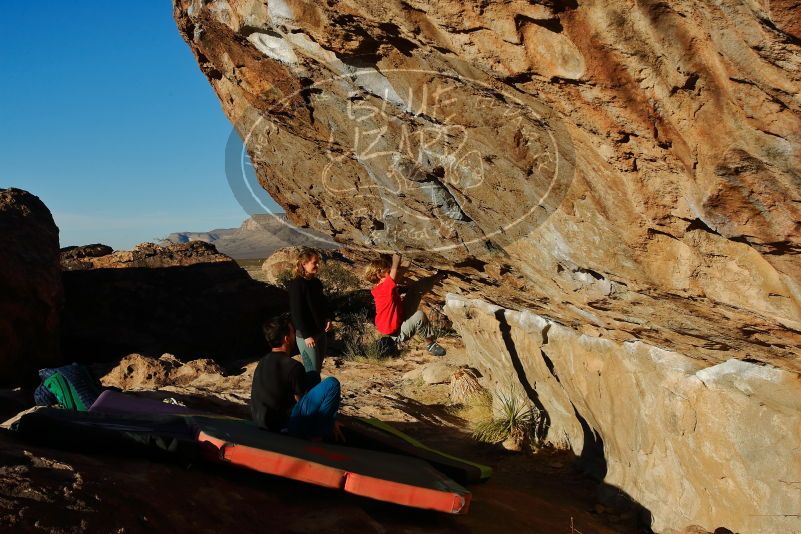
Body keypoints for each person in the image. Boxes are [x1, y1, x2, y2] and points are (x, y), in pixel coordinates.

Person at [250, 314, 343, 440]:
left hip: (261, 422)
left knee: (313, 376)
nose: (294, 335)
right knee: (332, 384)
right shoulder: (293, 366)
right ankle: (322, 432)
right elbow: (300, 400)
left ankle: (323, 424)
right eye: (293, 332)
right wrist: (328, 418)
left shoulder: (262, 362)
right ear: (287, 338)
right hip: (283, 427)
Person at [364, 253, 446, 356]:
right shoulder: (383, 290)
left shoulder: (385, 285)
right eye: (387, 270)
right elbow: (394, 272)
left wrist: (407, 253)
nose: (390, 271)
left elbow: (402, 271)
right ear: (379, 274)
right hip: (397, 333)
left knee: (415, 289)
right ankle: (430, 344)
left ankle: (437, 276)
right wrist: (395, 260)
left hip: (399, 317)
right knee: (419, 316)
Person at [287, 248, 331, 373]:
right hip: (307, 335)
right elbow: (296, 312)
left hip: (320, 332)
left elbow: (323, 303)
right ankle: (308, 392)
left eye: (318, 262)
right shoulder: (297, 285)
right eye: (314, 263)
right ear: (304, 264)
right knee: (311, 370)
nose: (317, 265)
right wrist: (306, 335)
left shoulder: (316, 282)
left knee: (317, 369)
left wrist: (328, 317)